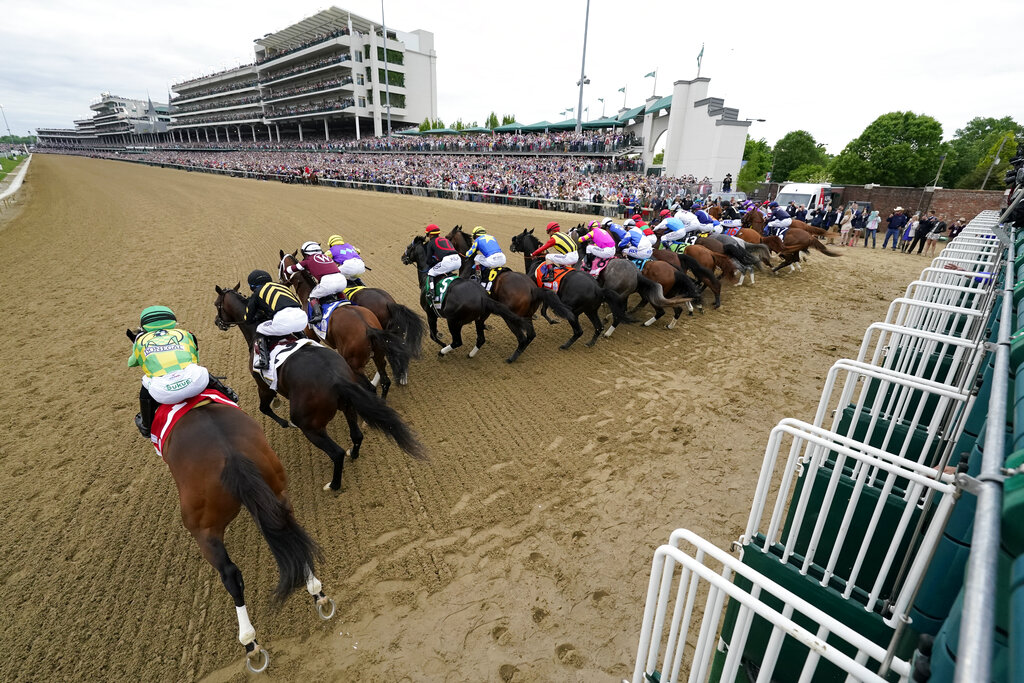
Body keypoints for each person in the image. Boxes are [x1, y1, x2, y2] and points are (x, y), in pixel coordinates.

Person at [129, 305, 239, 439]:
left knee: (146, 380)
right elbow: (195, 358)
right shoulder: (186, 334)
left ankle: (146, 425)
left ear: (145, 325)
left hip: (164, 393)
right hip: (195, 384)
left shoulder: (140, 340)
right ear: (172, 321)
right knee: (197, 369)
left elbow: (132, 363)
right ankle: (228, 394)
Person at [245, 269, 308, 370]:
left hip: (284, 321)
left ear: (252, 286)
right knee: (293, 324)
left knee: (260, 328)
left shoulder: (257, 293)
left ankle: (263, 359)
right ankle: (306, 340)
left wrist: (256, 317)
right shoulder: (282, 286)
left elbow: (247, 318)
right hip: (302, 318)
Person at [284, 241, 347, 324]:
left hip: (328, 282)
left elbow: (290, 270)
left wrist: (286, 269)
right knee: (338, 290)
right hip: (342, 280)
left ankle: (318, 315)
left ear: (305, 253)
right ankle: (346, 302)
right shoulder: (326, 257)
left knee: (312, 296)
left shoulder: (307, 261)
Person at [424, 224, 462, 309]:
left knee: (431, 272)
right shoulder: (445, 239)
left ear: (430, 234)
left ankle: (431, 293)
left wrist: (435, 261)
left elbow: (428, 261)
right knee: (444, 268)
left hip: (447, 261)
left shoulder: (431, 243)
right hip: (458, 261)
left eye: (427, 234)